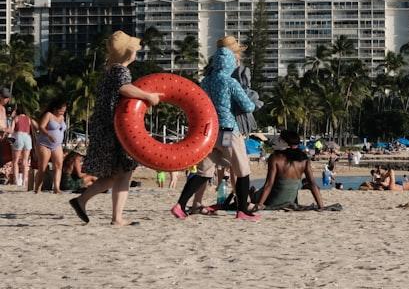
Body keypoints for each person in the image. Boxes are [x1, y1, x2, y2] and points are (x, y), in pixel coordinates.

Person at [70, 31, 162, 227]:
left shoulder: (110, 69)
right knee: (123, 172)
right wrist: (148, 96)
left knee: (115, 173)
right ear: (128, 53)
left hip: (106, 126)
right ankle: (113, 215)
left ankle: (84, 202)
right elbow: (124, 89)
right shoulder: (120, 71)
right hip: (115, 129)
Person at [171, 44, 258, 221]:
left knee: (204, 172)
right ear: (229, 64)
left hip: (209, 132)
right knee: (242, 170)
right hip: (228, 131)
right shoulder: (230, 81)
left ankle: (180, 205)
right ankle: (242, 210)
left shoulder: (206, 81)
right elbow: (248, 106)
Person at [255, 129, 325, 211]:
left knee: (254, 194)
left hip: (273, 201)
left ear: (284, 142)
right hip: (291, 201)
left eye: (279, 140)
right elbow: (312, 184)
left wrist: (260, 204)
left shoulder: (275, 158)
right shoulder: (304, 159)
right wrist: (321, 206)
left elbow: (269, 184)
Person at [33, 96, 67, 193]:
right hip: (44, 143)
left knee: (59, 165)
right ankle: (37, 188)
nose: (62, 112)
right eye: (61, 111)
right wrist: (49, 135)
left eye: (64, 111)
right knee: (43, 166)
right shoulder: (48, 115)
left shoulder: (62, 117)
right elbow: (41, 127)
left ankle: (56, 188)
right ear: (55, 108)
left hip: (57, 144)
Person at [9, 104, 33, 188]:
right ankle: (23, 182)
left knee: (15, 161)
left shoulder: (16, 118)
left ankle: (16, 181)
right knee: (25, 161)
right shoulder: (28, 119)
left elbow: (11, 130)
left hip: (18, 136)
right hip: (27, 137)